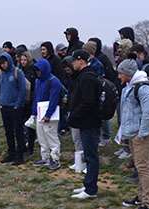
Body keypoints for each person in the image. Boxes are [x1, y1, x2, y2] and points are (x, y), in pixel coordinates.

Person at [116, 59, 149, 209]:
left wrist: (142, 134)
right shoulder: (130, 86)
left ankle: (148, 204)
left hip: (141, 136)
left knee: (143, 168)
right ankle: (141, 196)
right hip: (132, 134)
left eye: (121, 73)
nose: (119, 76)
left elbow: (148, 113)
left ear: (128, 73)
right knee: (139, 168)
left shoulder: (143, 88)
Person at [68, 50, 100, 199]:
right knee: (88, 155)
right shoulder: (83, 76)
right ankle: (88, 184)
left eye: (74, 60)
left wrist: (75, 114)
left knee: (91, 156)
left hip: (89, 122)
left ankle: (91, 189)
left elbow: (88, 102)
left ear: (81, 61)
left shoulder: (87, 78)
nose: (72, 63)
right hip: (86, 122)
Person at [31, 58, 63, 170]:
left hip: (50, 115)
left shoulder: (54, 81)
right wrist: (34, 112)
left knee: (51, 137)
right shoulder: (38, 81)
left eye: (38, 70)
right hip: (40, 113)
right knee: (41, 137)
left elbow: (54, 100)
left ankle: (55, 159)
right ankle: (45, 158)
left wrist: (48, 114)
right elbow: (36, 98)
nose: (37, 72)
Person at [0, 52, 27, 166]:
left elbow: (22, 90)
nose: (2, 65)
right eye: (0, 64)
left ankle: (20, 155)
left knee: (18, 131)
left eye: (3, 63)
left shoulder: (17, 72)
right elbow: (0, 89)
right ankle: (11, 153)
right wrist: (0, 102)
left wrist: (17, 104)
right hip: (4, 106)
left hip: (15, 107)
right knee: (8, 132)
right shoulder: (2, 74)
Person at [18, 50, 37, 157]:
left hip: (31, 101)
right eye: (21, 60)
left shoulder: (33, 71)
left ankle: (30, 148)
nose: (23, 62)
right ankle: (22, 146)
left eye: (25, 60)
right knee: (21, 125)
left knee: (30, 128)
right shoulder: (20, 71)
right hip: (22, 101)